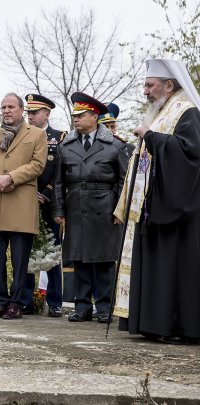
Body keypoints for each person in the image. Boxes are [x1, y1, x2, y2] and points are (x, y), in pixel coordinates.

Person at [116, 58, 200, 344]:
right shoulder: (162, 111)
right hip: (153, 206)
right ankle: (153, 323)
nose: (145, 91)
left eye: (149, 85)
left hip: (177, 211)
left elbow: (191, 156)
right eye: (145, 85)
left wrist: (151, 137)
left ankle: (175, 325)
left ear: (169, 84)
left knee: (175, 269)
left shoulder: (187, 111)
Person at [53, 92, 128, 323]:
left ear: (94, 117)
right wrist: (59, 210)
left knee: (104, 260)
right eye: (74, 115)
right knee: (80, 259)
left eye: (81, 115)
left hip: (105, 206)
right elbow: (58, 182)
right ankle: (82, 306)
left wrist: (120, 209)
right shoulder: (66, 146)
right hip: (76, 205)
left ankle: (104, 307)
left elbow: (124, 180)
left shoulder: (114, 145)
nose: (75, 119)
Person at [0, 93, 47, 320]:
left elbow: (37, 165)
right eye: (3, 107)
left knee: (20, 259)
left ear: (21, 110)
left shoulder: (36, 134)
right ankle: (0, 302)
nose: (6, 111)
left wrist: (12, 177)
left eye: (11, 107)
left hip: (21, 204)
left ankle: (16, 303)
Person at [20, 94, 66, 318]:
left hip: (48, 204)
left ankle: (55, 301)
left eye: (34, 112)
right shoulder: (20, 136)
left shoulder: (59, 137)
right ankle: (26, 300)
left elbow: (60, 172)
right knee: (25, 252)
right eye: (28, 112)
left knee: (52, 252)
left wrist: (45, 194)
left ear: (46, 114)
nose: (30, 116)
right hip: (23, 202)